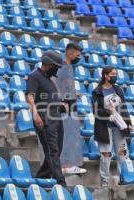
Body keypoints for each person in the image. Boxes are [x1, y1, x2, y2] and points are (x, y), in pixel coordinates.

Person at [26, 50, 66, 187]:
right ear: (48, 64)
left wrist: (59, 104)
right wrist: (35, 114)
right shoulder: (35, 76)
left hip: (55, 115)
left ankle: (42, 177)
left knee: (57, 149)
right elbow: (30, 97)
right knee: (52, 150)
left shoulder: (48, 79)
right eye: (55, 66)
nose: (56, 69)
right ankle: (61, 182)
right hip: (44, 116)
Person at [91, 67, 133, 188]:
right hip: (104, 127)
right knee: (106, 154)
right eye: (113, 74)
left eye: (116, 74)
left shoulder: (118, 89)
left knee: (122, 152)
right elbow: (95, 112)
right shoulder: (97, 91)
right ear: (106, 75)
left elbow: (123, 108)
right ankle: (104, 182)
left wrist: (128, 123)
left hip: (119, 127)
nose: (115, 76)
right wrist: (108, 111)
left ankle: (124, 178)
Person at [56, 43, 87, 175]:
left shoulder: (68, 67)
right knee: (67, 134)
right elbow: (57, 85)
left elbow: (67, 86)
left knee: (70, 133)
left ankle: (66, 164)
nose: (78, 57)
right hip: (65, 103)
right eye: (77, 55)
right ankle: (67, 165)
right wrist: (62, 100)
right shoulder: (62, 66)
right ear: (70, 53)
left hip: (70, 101)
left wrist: (75, 94)